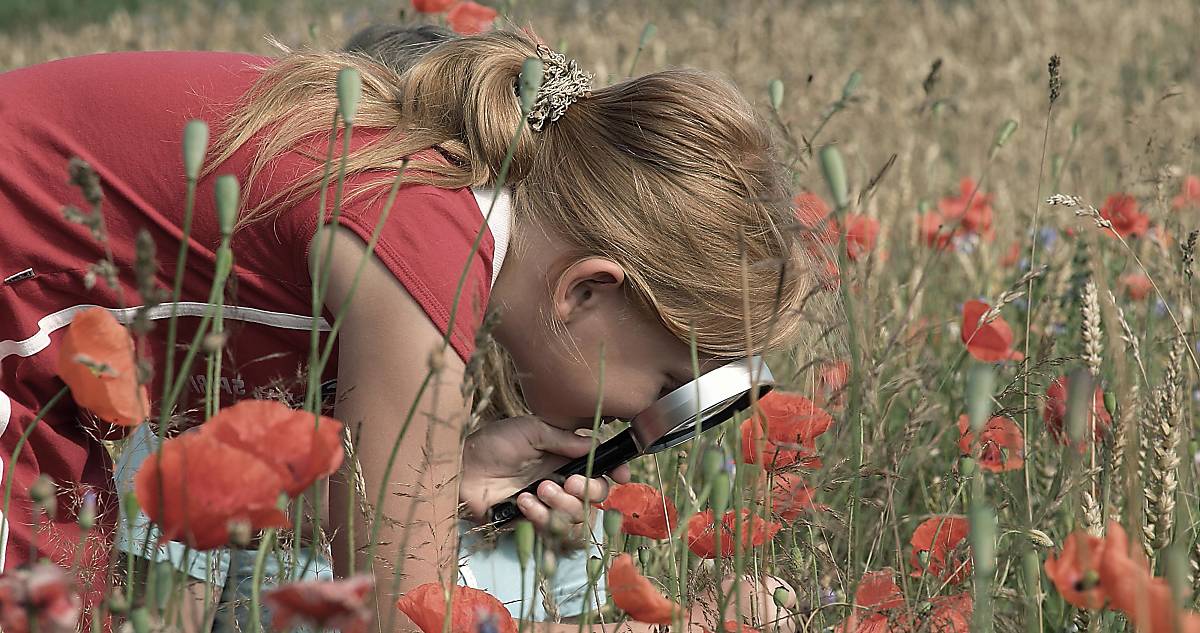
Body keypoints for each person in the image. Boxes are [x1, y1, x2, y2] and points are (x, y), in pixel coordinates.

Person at [0, 23, 816, 633]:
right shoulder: (417, 238)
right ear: (587, 292)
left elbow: (206, 478)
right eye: (668, 385)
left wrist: (445, 479)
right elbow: (396, 614)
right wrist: (691, 621)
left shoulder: (419, 190)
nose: (634, 421)